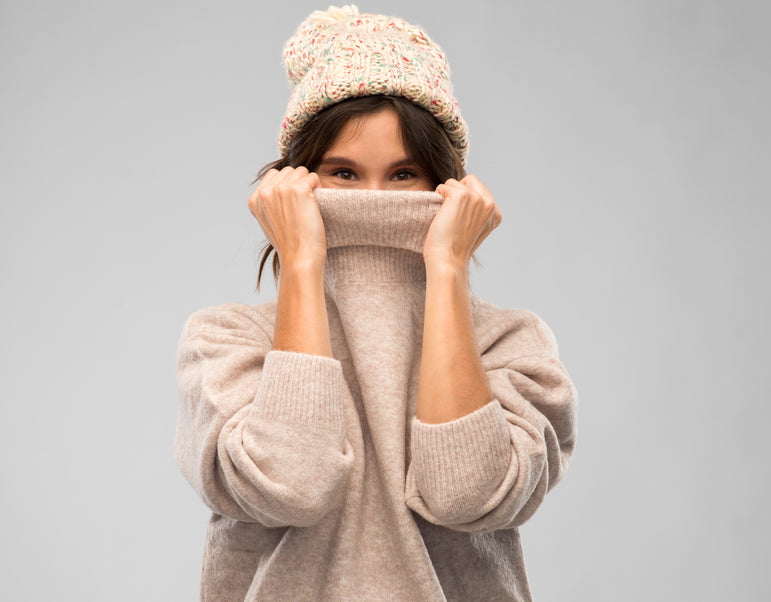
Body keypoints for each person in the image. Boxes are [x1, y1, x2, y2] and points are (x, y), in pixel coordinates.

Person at [174, 5, 578, 600]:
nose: (371, 200)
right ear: (296, 182)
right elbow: (292, 483)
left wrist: (446, 268)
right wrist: (304, 265)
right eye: (341, 172)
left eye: (403, 174)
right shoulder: (225, 342)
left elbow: (464, 495)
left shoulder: (510, 345)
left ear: (447, 186)